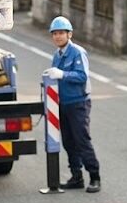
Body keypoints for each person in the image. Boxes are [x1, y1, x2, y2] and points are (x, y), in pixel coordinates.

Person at [42, 16, 101, 193]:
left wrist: (62, 75)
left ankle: (94, 177)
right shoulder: (57, 55)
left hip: (78, 103)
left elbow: (82, 76)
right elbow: (56, 77)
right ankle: (76, 176)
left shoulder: (77, 52)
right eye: (55, 34)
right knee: (68, 141)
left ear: (69, 34)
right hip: (62, 104)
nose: (58, 37)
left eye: (61, 33)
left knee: (82, 140)